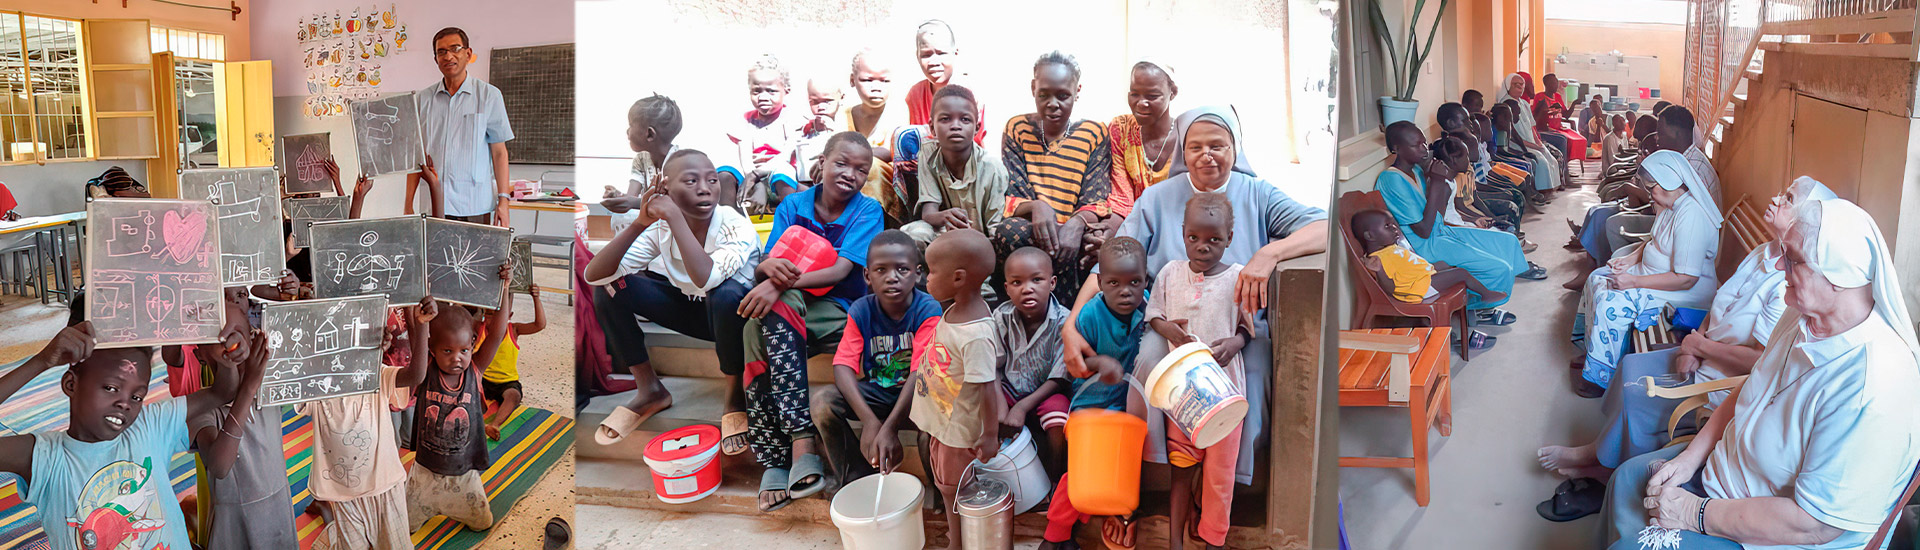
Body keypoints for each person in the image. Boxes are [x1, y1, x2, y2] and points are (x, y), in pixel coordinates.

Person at [1603, 198, 1920, 550]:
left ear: (1839, 277)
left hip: (1772, 536)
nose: (1780, 265)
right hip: (1725, 478)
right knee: (1626, 479)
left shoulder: (1873, 384)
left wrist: (1694, 513)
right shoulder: (1800, 316)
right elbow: (1752, 387)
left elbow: (1815, 526)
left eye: (1793, 258)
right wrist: (1689, 459)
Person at [1063, 107, 1327, 506]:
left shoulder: (1257, 194)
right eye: (1195, 147)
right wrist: (1070, 325)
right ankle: (1158, 473)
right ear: (1182, 152)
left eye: (1217, 145)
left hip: (1236, 328)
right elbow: (1111, 263)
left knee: (1255, 372)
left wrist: (1269, 253)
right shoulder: (1157, 198)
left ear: (1235, 148)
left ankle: (1225, 477)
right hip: (1169, 326)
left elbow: (1323, 226)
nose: (1207, 155)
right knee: (1149, 362)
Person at [1534, 178, 1834, 522]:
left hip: (1722, 374)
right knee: (1630, 366)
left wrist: (1698, 345)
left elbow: (1759, 361)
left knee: (1639, 395)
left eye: (1789, 198)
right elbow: (1719, 304)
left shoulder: (1787, 287)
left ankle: (1605, 471)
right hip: (1704, 352)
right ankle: (1601, 454)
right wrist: (1693, 343)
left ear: (1804, 221)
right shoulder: (1763, 253)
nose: (1776, 198)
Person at [0, 319, 264, 550]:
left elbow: (222, 392)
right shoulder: (45, 458)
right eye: (111, 388)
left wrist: (226, 360)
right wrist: (41, 362)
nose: (125, 403)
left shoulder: (149, 425)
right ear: (71, 384)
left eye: (137, 396)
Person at [739, 132, 883, 512]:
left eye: (861, 170)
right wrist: (767, 272)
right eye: (842, 163)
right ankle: (793, 445)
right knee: (755, 325)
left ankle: (785, 449)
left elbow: (839, 270)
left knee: (767, 316)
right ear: (822, 162)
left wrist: (775, 284)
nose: (850, 174)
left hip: (839, 309)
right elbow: (770, 258)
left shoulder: (868, 211)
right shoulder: (793, 204)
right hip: (792, 308)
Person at [585, 150, 759, 451]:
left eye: (712, 180)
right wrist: (641, 222)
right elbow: (594, 274)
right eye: (691, 181)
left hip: (737, 320)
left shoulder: (734, 224)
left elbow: (707, 278)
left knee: (725, 293)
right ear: (666, 188)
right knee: (610, 287)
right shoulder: (660, 228)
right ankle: (650, 389)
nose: (705, 189)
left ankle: (734, 396)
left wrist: (674, 216)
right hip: (693, 310)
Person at [1146, 194, 1255, 550]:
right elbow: (1154, 314)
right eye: (1193, 237)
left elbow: (1246, 328)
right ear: (1183, 233)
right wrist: (1168, 330)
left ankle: (1213, 541)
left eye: (1214, 239)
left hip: (1225, 397)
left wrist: (1235, 343)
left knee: (1219, 477)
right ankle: (1175, 542)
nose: (1202, 247)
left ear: (1229, 237)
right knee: (1181, 471)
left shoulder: (1238, 278)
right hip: (1181, 397)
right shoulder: (1170, 273)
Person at [1571, 151, 1721, 398]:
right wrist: (1630, 259)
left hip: (1682, 291)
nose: (1649, 194)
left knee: (1611, 303)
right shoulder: (1670, 206)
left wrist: (1633, 281)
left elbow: (1686, 279)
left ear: (1667, 183)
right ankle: (1594, 352)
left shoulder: (1691, 216)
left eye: (1651, 188)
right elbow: (1653, 241)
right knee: (1597, 278)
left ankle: (1601, 377)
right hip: (1656, 275)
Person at [1042, 237, 1154, 550]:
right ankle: (1054, 535)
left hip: (1127, 405)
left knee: (1124, 463)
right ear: (1101, 283)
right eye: (1114, 283)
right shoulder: (1090, 315)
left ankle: (1119, 510)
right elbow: (1075, 366)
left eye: (1134, 282)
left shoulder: (1147, 307)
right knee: (1080, 473)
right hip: (1090, 406)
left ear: (1145, 280)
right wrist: (1099, 363)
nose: (1125, 291)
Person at [808, 230, 941, 488]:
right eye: (881, 270)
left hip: (919, 397)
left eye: (902, 269)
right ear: (867, 276)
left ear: (917, 274)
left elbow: (920, 373)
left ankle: (939, 493)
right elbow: (843, 365)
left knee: (934, 426)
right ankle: (855, 480)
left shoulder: (928, 309)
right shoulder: (861, 310)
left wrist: (890, 428)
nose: (892, 277)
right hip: (878, 393)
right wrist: (870, 422)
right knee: (823, 403)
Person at [1377, 122, 1539, 315]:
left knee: (1508, 241)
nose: (1424, 149)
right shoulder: (1391, 179)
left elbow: (1437, 214)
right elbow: (1424, 230)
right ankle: (1479, 308)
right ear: (1396, 149)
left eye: (1424, 143)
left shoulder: (1417, 171)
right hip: (1424, 245)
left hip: (1441, 231)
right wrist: (1437, 183)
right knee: (1498, 267)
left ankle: (1503, 283)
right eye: (1416, 145)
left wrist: (1434, 180)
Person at [906, 229, 1002, 550]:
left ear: (959, 278)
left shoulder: (976, 334)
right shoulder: (954, 310)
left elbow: (986, 387)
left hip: (957, 430)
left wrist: (990, 435)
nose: (926, 279)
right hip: (943, 419)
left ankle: (957, 542)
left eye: (932, 271)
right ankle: (958, 535)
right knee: (949, 483)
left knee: (952, 489)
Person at [993, 51, 1113, 304]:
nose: (1053, 104)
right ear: (1033, 88)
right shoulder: (1018, 128)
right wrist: (1037, 206)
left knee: (1093, 242)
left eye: (1063, 95)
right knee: (1009, 231)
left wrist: (1077, 223)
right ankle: (1024, 309)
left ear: (1077, 91)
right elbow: (1013, 197)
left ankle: (1067, 315)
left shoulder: (1094, 133)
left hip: (1076, 231)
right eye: (1044, 94)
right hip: (1031, 230)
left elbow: (1096, 199)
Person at [304, 304, 423, 550]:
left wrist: (420, 325)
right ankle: (330, 525)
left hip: (385, 488)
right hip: (343, 495)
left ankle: (330, 529)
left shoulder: (377, 375)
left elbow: (416, 375)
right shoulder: (316, 385)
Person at [408, 266, 511, 532]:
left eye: (464, 350)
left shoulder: (475, 370)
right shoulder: (424, 370)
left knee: (482, 524)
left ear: (473, 344)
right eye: (447, 351)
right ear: (432, 349)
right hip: (426, 471)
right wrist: (421, 318)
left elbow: (497, 333)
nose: (457, 358)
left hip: (464, 471)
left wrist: (504, 288)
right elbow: (416, 333)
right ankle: (428, 507)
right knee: (406, 526)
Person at [192, 301, 298, 549]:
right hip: (234, 522)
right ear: (200, 356)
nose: (232, 345)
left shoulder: (268, 387)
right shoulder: (200, 407)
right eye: (219, 339)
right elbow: (219, 466)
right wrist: (247, 388)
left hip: (278, 507)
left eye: (239, 333)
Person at [416, 27, 514, 227]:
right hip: (433, 205)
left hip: (475, 204)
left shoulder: (489, 96)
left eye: (455, 49)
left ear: (468, 54)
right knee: (433, 249)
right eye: (441, 52)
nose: (448, 56)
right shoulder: (422, 100)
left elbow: (499, 152)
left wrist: (503, 200)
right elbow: (416, 156)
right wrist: (408, 204)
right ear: (436, 59)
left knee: (476, 249)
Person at [993, 247, 1072, 476]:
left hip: (1045, 393)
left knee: (1059, 414)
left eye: (1037, 280)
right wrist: (1001, 407)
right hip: (1008, 389)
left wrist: (1021, 407)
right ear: (1007, 288)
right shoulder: (1001, 317)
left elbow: (1059, 378)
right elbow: (993, 368)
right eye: (1017, 282)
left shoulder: (1065, 322)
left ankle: (1054, 476)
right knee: (981, 402)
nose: (1027, 289)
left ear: (1052, 283)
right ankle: (995, 472)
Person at [901, 85, 1005, 249]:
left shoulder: (992, 167)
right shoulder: (927, 154)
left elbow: (995, 229)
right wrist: (944, 217)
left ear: (977, 128)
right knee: (913, 233)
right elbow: (928, 213)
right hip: (946, 234)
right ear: (932, 128)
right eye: (945, 119)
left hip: (983, 242)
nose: (956, 126)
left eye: (965, 119)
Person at [1353, 209, 1507, 306]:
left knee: (1443, 264)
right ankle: (1486, 294)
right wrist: (1379, 271)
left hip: (1421, 278)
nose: (1395, 228)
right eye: (1387, 226)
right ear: (1370, 236)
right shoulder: (1378, 260)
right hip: (1418, 289)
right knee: (1461, 273)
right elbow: (1390, 289)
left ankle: (1468, 293)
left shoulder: (1388, 248)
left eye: (1393, 224)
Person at [722, 55, 809, 215]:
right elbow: (746, 162)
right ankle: (731, 221)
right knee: (724, 173)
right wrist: (757, 183)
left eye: (771, 91)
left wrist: (757, 175)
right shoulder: (746, 121)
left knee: (783, 170)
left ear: (786, 90)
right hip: (753, 181)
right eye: (756, 91)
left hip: (783, 181)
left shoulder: (791, 119)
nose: (763, 97)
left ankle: (792, 218)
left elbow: (785, 156)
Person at [1108, 59, 1180, 218]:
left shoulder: (1187, 136)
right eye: (1134, 94)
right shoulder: (1122, 128)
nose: (1141, 103)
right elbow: (1122, 198)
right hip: (1128, 221)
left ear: (1173, 92)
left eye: (1152, 96)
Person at [604, 95, 684, 235]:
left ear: (649, 134)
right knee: (621, 216)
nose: (627, 131)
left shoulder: (679, 163)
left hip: (674, 227)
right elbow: (632, 196)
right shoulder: (641, 160)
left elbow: (674, 206)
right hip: (651, 221)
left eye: (631, 125)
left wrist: (632, 202)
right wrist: (619, 196)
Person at [904, 20, 986, 144]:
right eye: (926, 55)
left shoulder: (971, 94)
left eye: (941, 53)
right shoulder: (915, 95)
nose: (934, 62)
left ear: (955, 53)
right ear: (917, 56)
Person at [482, 285, 545, 440]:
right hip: (483, 379)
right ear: (483, 313)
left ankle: (494, 425)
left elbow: (539, 325)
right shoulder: (479, 327)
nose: (494, 320)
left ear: (509, 315)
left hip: (507, 382)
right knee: (469, 392)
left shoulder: (514, 329)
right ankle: (475, 421)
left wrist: (536, 298)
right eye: (489, 314)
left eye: (499, 315)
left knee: (513, 396)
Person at [1495, 74, 1564, 198]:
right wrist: (1533, 146)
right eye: (1515, 85)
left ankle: (1551, 188)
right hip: (1517, 144)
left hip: (1531, 141)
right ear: (1508, 86)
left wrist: (1537, 142)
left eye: (1521, 85)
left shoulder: (1524, 103)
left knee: (1550, 158)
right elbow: (1513, 135)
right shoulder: (1507, 105)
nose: (1519, 87)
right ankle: (1542, 190)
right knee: (1541, 161)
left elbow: (1532, 126)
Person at [795, 78, 845, 186]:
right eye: (815, 102)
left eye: (827, 101)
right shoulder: (805, 127)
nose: (821, 107)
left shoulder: (846, 122)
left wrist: (833, 129)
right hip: (806, 178)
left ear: (841, 98)